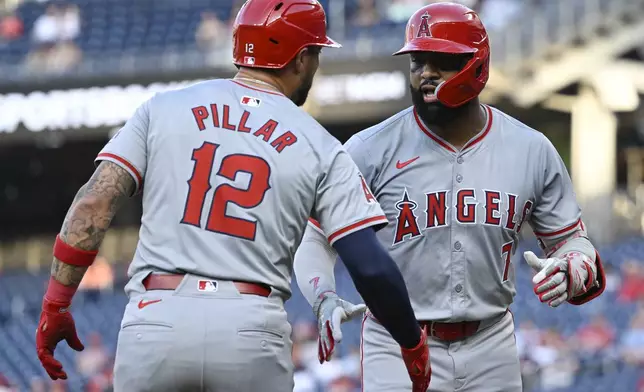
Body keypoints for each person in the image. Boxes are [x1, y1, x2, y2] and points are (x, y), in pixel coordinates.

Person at [33, 1, 431, 391]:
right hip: (250, 328)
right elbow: (371, 267)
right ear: (300, 59)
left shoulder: (162, 108)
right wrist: (412, 343)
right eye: (316, 53)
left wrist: (56, 304)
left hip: (156, 321)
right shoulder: (321, 145)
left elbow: (93, 203)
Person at [293, 2, 606, 391]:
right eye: (417, 61)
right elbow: (316, 236)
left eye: (441, 60)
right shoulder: (369, 149)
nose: (425, 72)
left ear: (476, 65)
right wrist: (323, 294)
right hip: (396, 342)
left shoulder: (531, 149)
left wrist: (571, 265)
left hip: (491, 343)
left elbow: (571, 240)